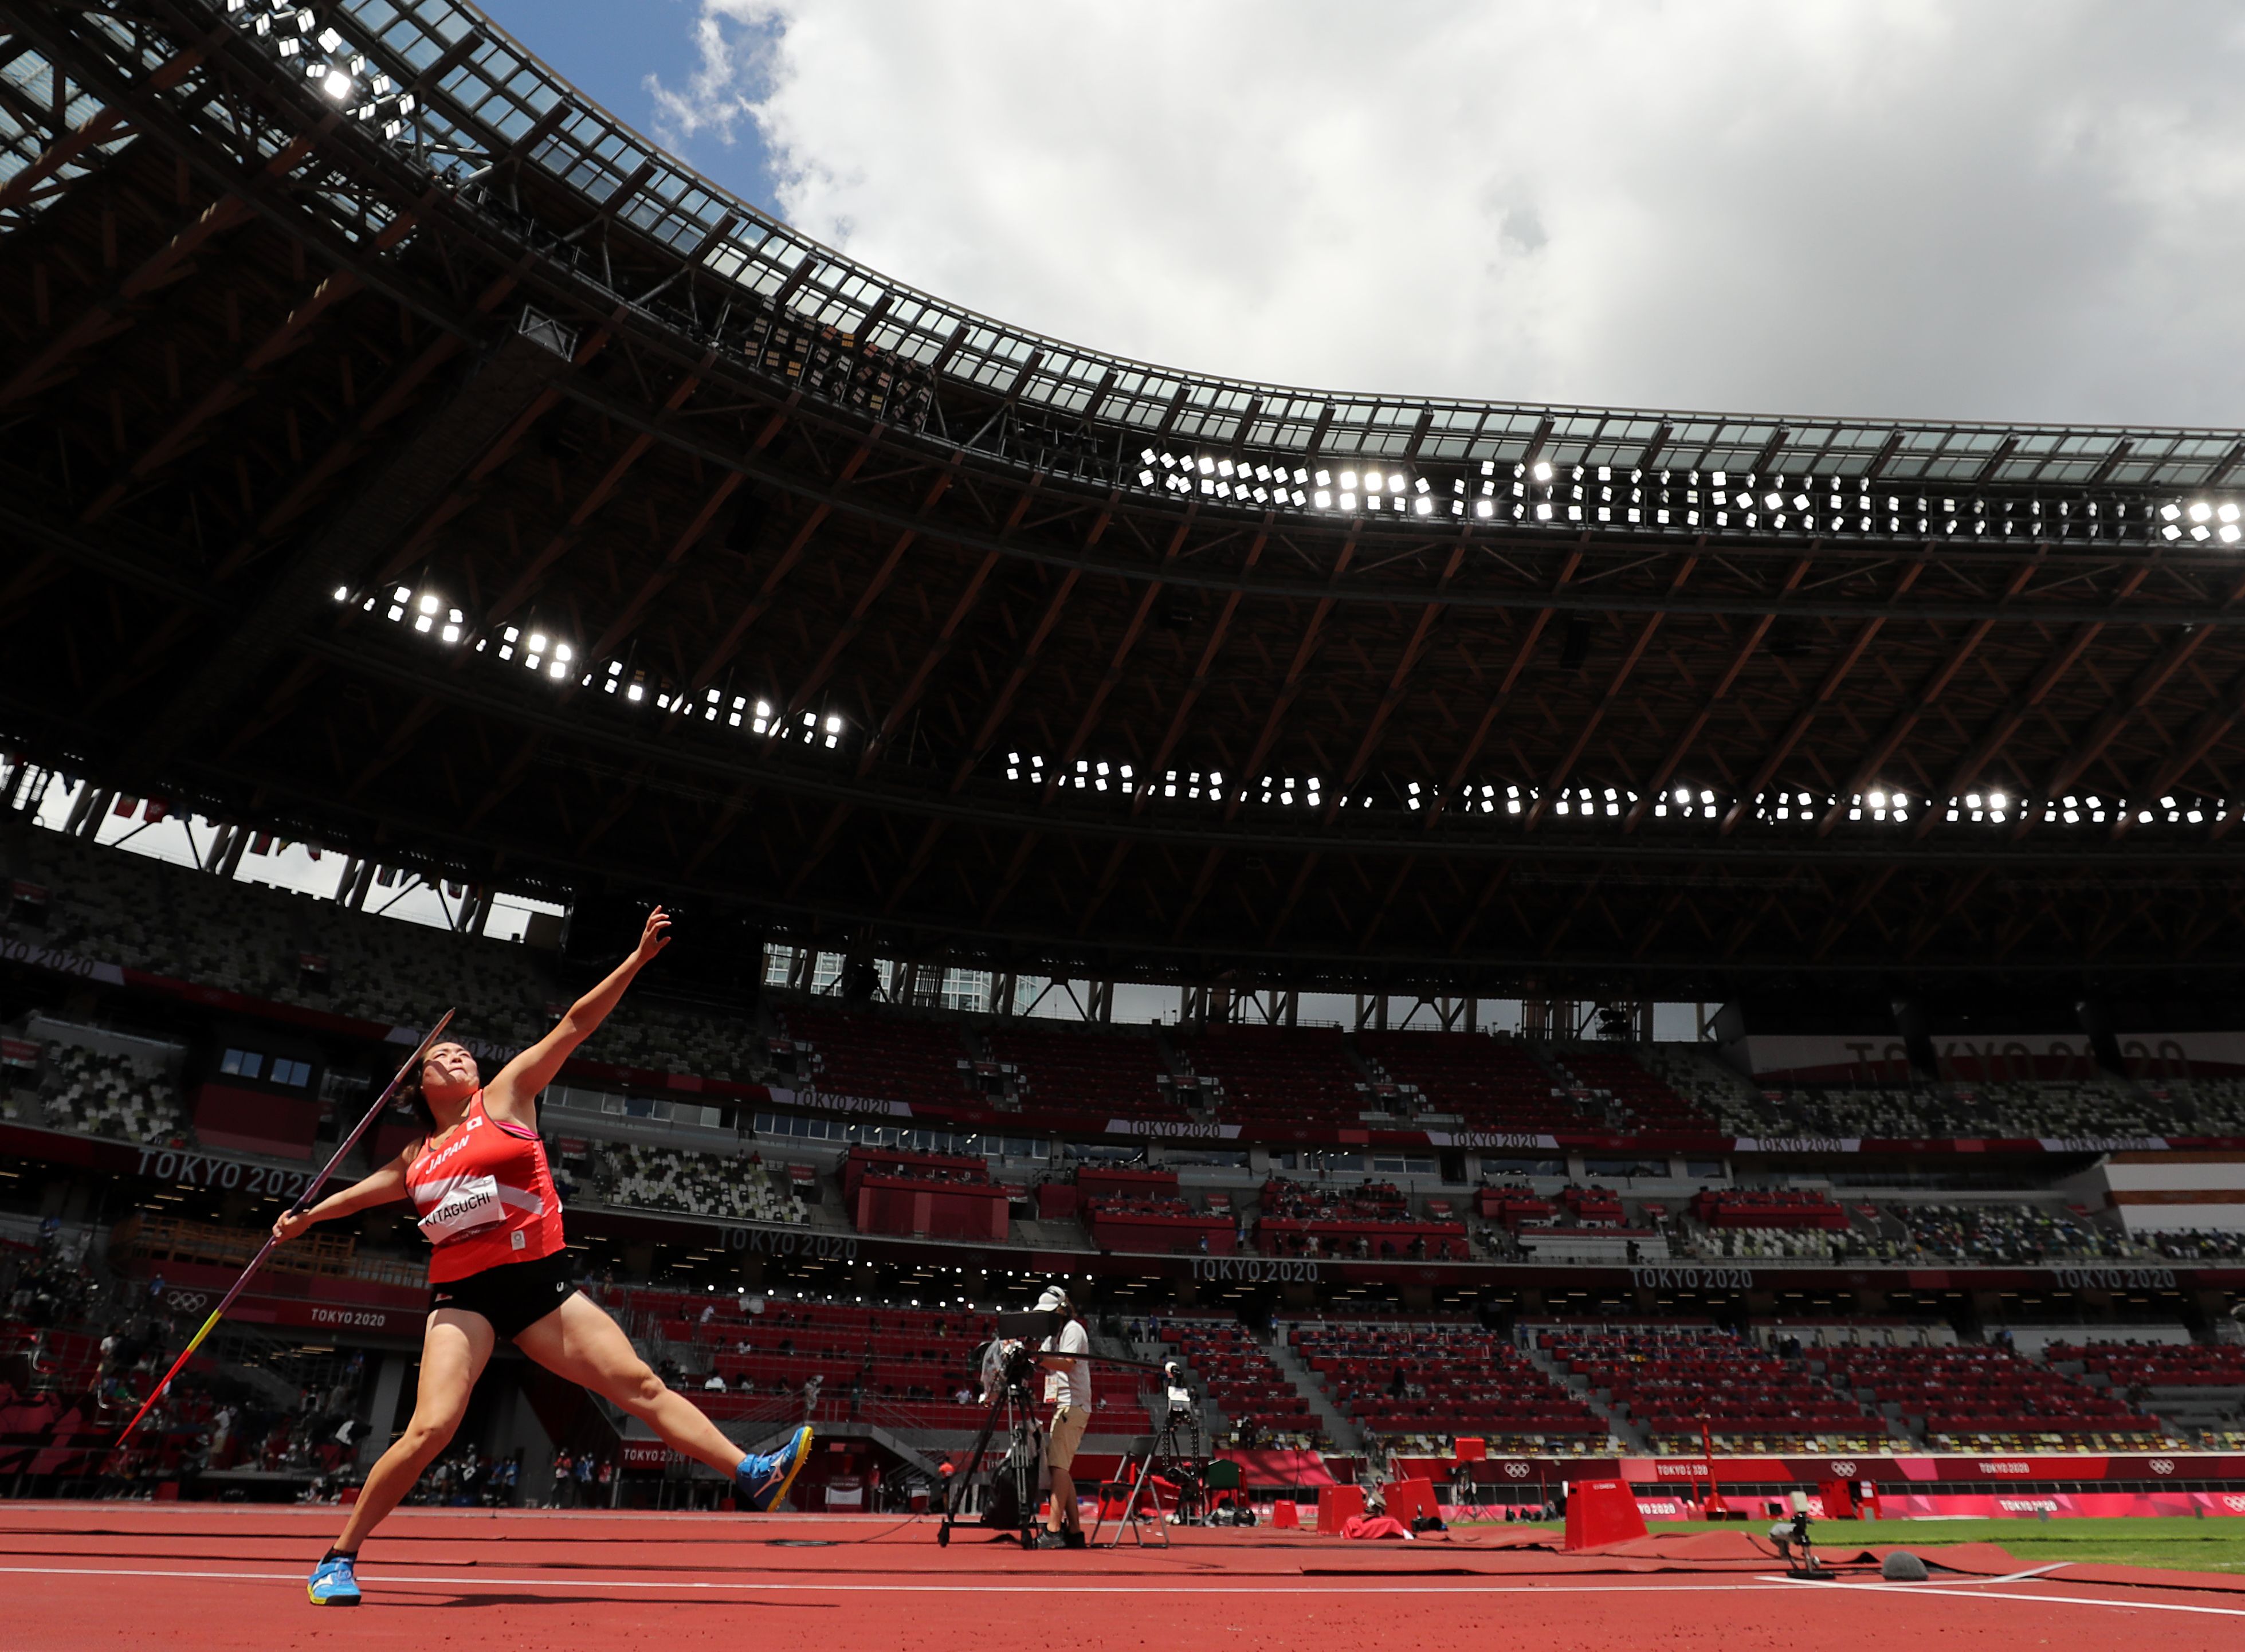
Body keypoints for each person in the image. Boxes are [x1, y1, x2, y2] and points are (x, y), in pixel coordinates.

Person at [278, 908, 812, 1606]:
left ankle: (752, 1474)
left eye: (464, 1052)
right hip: (463, 1298)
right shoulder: (417, 1157)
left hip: (542, 1288)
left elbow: (575, 1027)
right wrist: (304, 1217)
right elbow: (357, 1198)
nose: (459, 1056)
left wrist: (637, 959)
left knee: (642, 1389)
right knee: (433, 1426)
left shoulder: (507, 1095)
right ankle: (339, 1557)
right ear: (417, 1087)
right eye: (443, 1057)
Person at [1033, 1283, 1091, 1550]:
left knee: (1058, 1468)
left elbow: (1066, 1363)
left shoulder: (1073, 1330)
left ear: (1063, 1309)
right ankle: (1076, 1531)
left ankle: (1054, 1529)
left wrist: (1038, 1359)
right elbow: (1044, 1360)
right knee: (1061, 1468)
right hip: (1065, 1407)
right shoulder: (1053, 1335)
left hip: (1073, 1406)